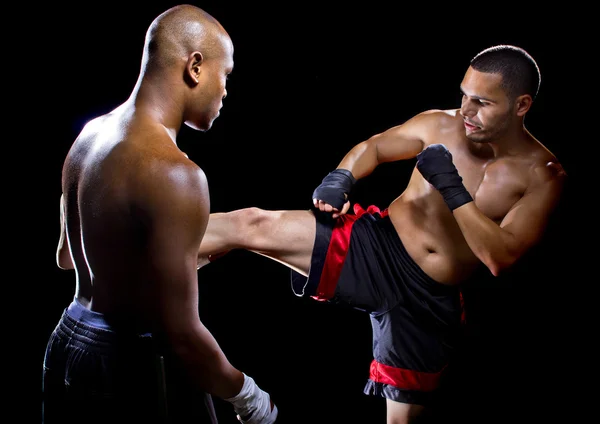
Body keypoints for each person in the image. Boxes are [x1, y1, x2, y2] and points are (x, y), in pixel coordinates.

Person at [196, 45, 567, 423]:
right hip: (375, 248)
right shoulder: (440, 124)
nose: (467, 111)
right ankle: (145, 256)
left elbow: (500, 257)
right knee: (250, 223)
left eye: (482, 102)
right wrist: (341, 177)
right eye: (464, 95)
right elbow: (374, 147)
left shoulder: (543, 176)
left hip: (426, 302)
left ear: (521, 105)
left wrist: (452, 189)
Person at [42, 5, 277, 424]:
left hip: (66, 346)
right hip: (130, 366)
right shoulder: (177, 175)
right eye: (227, 75)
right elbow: (182, 336)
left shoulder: (91, 134)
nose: (226, 92)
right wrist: (247, 395)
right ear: (196, 67)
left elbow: (67, 256)